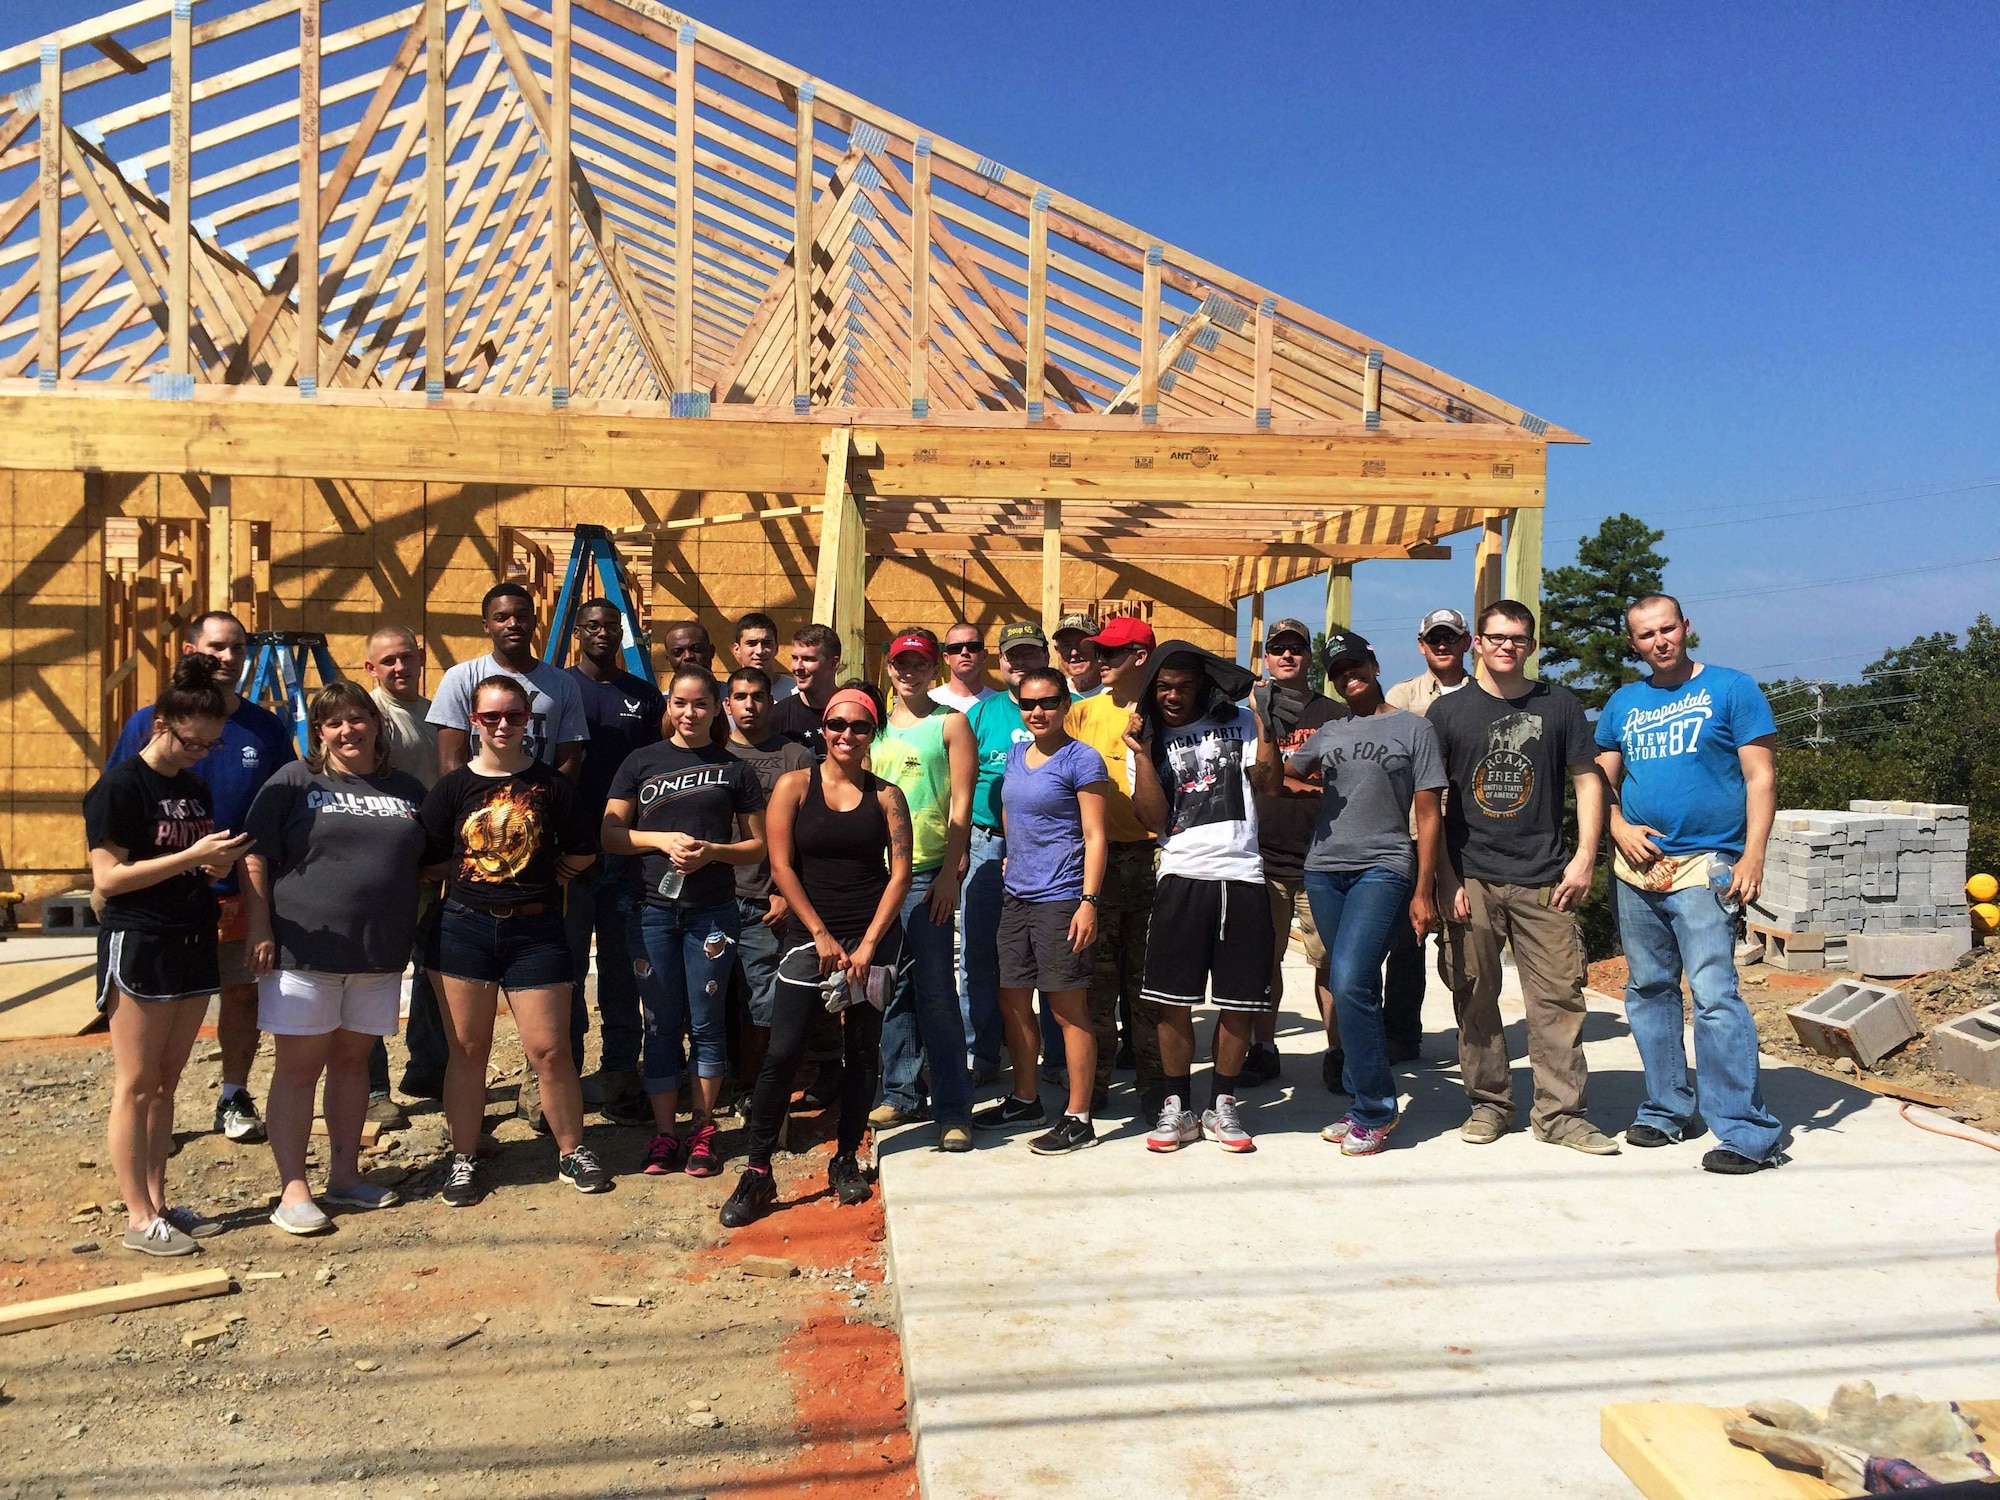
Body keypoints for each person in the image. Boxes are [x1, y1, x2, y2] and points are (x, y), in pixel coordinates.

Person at [1595, 594, 1783, 1175]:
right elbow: (1597, 781)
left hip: (1707, 865)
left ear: (1686, 627)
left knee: (1714, 995)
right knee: (1648, 990)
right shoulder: (1624, 702)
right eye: (1646, 634)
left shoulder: (1731, 688)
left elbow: (1761, 776)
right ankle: (1666, 1108)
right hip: (1638, 869)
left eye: (1667, 629)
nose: (1660, 640)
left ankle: (1744, 1131)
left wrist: (1753, 855)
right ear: (1634, 643)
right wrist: (1618, 827)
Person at [1430, 602, 1618, 1155]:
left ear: (1531, 645)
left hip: (1545, 877)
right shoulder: (1448, 714)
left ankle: (1562, 1115)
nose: (1507, 646)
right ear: (1478, 644)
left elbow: (1588, 782)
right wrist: (1444, 877)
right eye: (1496, 637)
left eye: (1518, 638)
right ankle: (1489, 1104)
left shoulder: (1559, 706)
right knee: (1475, 993)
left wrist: (1586, 856)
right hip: (1473, 877)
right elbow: (1432, 803)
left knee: (1559, 998)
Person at [721, 686, 912, 1225]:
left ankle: (846, 1154)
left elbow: (900, 873)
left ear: (872, 734)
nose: (846, 736)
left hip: (871, 935)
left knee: (861, 1051)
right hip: (811, 935)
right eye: (837, 725)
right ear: (823, 729)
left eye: (859, 727)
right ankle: (757, 1170)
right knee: (783, 1053)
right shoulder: (794, 785)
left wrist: (869, 944)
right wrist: (820, 934)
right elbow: (780, 866)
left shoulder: (887, 796)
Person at [242, 683, 427, 1234]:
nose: (348, 731)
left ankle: (344, 1176)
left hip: (377, 951)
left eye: (358, 719)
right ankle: (293, 1189)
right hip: (304, 950)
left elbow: (429, 862)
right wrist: (258, 926)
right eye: (334, 723)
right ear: (318, 732)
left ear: (377, 724)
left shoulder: (408, 789)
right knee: (299, 1070)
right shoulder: (295, 782)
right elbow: (255, 853)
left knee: (352, 1065)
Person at [109, 610, 294, 1148]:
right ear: (191, 649)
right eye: (216, 646)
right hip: (164, 896)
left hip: (240, 890)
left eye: (237, 648)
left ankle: (233, 1093)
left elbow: (279, 808)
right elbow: (118, 804)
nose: (228, 658)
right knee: (163, 1009)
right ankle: (152, 1106)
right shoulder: (149, 722)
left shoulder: (265, 727)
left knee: (241, 997)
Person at [88, 657, 254, 1256]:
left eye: (210, 745)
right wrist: (191, 860)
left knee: (167, 1084)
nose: (200, 753)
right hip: (142, 940)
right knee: (135, 1083)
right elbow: (108, 880)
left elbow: (186, 855)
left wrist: (215, 863)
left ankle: (159, 1201)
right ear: (161, 725)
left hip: (191, 934)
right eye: (191, 742)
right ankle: (137, 1217)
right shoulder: (120, 787)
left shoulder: (192, 785)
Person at [420, 676, 607, 1206]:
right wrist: (472, 878)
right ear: (473, 721)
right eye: (491, 717)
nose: (503, 726)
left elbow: (583, 849)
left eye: (515, 716)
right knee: (468, 1050)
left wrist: (551, 880)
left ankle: (572, 1150)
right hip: (463, 928)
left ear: (530, 721)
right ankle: (464, 1156)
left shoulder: (551, 785)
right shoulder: (454, 787)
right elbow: (428, 854)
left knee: (550, 1050)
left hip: (536, 930)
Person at [1283, 631, 1445, 1157]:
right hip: (1323, 869)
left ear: (1374, 664)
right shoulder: (1330, 731)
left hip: (1384, 865)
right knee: (1347, 979)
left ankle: (1376, 1108)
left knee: (1352, 980)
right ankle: (1358, 1102)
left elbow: (1427, 812)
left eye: (1355, 664)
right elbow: (1285, 776)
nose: (1347, 675)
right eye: (1337, 670)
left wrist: (1425, 891)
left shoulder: (1413, 728)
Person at [602, 666, 768, 1178]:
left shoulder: (734, 767)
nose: (689, 713)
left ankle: (701, 1129)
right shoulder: (640, 761)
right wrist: (661, 840)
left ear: (716, 708)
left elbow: (757, 845)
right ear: (667, 707)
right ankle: (663, 1134)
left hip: (712, 912)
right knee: (660, 1023)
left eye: (700, 704)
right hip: (650, 910)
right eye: (680, 703)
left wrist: (713, 852)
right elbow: (611, 835)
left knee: (707, 1022)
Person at [1126, 641, 1275, 1155]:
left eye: (1183, 687)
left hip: (1243, 873)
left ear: (1201, 687)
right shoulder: (1148, 735)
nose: (1172, 696)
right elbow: (1150, 818)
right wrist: (1143, 754)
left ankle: (1224, 1103)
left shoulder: (1242, 722)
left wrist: (1266, 724)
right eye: (1163, 687)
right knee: (1172, 1002)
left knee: (1239, 1001)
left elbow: (1270, 784)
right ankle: (1177, 1105)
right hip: (1182, 873)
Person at [973, 668, 1109, 1155]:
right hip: (1017, 894)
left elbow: (1095, 835)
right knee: (1012, 999)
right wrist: (1012, 849)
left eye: (1049, 702)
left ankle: (1078, 1116)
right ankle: (1025, 1098)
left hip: (1062, 897)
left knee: (1066, 1009)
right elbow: (1011, 806)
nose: (1039, 712)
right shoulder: (1014, 754)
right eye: (1029, 703)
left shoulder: (1082, 759)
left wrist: (1088, 902)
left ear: (1065, 704)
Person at [869, 629, 977, 1150]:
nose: (909, 671)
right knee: (891, 988)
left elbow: (961, 804)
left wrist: (949, 873)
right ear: (888, 667)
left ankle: (954, 1107)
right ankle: (900, 1090)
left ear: (934, 669)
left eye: (919, 663)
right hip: (878, 877)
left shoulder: (949, 723)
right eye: (900, 663)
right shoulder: (872, 728)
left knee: (936, 991)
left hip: (926, 872)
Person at [563, 599, 663, 1118]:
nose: (602, 633)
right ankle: (564, 1077)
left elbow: (655, 774)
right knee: (570, 968)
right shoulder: (558, 688)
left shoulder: (644, 697)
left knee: (624, 971)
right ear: (578, 632)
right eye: (593, 626)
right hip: (570, 858)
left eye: (611, 626)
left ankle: (621, 1072)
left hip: (625, 859)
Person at [1065, 617, 1162, 1111]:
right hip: (1099, 862)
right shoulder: (1083, 714)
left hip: (1155, 859)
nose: (1100, 662)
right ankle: (1096, 1084)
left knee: (1147, 985)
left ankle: (1153, 1087)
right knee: (1098, 984)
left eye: (1112, 654)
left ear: (1140, 657)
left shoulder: (1167, 711)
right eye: (1098, 653)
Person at [1245, 618, 1343, 1089]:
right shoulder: (1250, 714)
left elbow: (1340, 785)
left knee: (1330, 962)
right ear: (1266, 656)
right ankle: (1263, 1048)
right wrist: (1298, 784)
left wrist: (1281, 782)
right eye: (1277, 648)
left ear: (1309, 656)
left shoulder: (1334, 715)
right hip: (1261, 857)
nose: (1287, 656)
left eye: (1296, 649)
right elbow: (1252, 777)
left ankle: (1339, 1050)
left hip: (1321, 857)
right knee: (1262, 961)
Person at [1380, 606, 1476, 1063]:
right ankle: (1400, 1033)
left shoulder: (1485, 694)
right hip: (1413, 832)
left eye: (1450, 637)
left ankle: (1475, 1033)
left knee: (1466, 937)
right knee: (1407, 938)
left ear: (1466, 642)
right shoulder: (1401, 695)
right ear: (1422, 645)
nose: (1442, 645)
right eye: (1434, 638)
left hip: (1468, 834)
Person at [361, 626, 447, 1113]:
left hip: (433, 863)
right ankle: (374, 1089)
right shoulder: (372, 719)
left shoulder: (435, 715)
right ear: (371, 669)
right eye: (388, 661)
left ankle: (427, 1070)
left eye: (407, 658)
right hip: (390, 868)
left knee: (433, 968)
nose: (400, 668)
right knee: (376, 975)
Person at [959, 622, 1046, 1086]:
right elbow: (961, 779)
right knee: (980, 952)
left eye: (1030, 654)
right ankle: (981, 1054)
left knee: (1050, 955)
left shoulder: (1057, 707)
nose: (1020, 663)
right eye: (1013, 655)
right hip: (986, 842)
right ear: (1001, 660)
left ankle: (1052, 1058)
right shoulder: (982, 713)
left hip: (1046, 849)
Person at [722, 668, 814, 1094]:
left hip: (766, 900)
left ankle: (757, 1088)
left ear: (771, 702)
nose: (749, 705)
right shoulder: (710, 753)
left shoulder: (795, 757)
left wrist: (783, 893)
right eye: (740, 696)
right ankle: (718, 1080)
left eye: (758, 697)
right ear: (727, 705)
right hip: (714, 897)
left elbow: (809, 834)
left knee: (764, 1000)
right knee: (715, 999)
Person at [429, 583, 588, 776]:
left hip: (540, 800)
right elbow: (451, 763)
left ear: (534, 621)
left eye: (521, 617)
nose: (512, 624)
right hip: (478, 801)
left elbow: (569, 763)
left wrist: (547, 801)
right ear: (486, 626)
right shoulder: (461, 678)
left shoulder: (564, 684)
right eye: (501, 618)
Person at [769, 623, 844, 760]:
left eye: (808, 659)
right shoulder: (777, 716)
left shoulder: (852, 712)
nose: (797, 667)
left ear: (833, 663)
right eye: (795, 658)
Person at [731, 613, 799, 701]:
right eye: (751, 643)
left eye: (767, 643)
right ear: (737, 649)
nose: (759, 651)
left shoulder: (797, 693)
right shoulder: (724, 693)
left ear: (776, 648)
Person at [930, 623, 996, 712]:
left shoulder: (999, 705)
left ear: (984, 655)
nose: (964, 652)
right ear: (946, 658)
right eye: (955, 648)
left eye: (973, 647)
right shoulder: (930, 702)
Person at [1052, 613, 1104, 701]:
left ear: (1098, 647)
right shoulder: (1055, 695)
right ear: (1058, 651)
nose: (1074, 652)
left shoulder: (1116, 693)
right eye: (1066, 645)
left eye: (1082, 643)